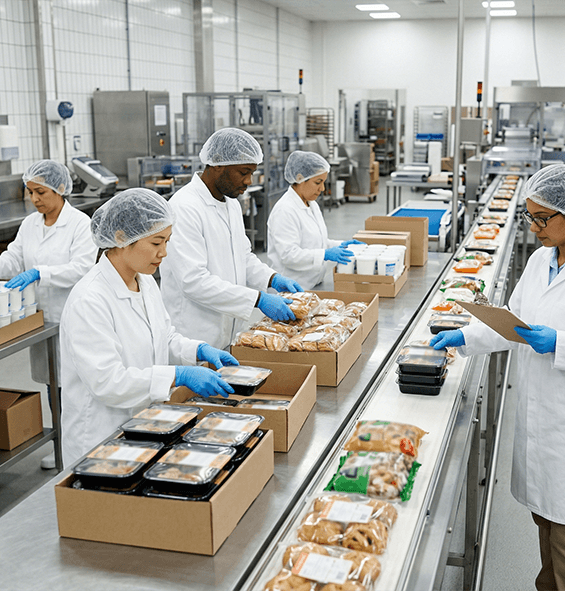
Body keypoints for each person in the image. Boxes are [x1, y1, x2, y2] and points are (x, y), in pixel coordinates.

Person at [431, 164, 565, 591]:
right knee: (546, 528)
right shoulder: (540, 260)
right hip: (543, 422)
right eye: (530, 217)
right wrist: (466, 336)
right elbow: (514, 324)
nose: (534, 227)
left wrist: (561, 344)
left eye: (543, 218)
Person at [58, 188, 237, 467]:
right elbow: (107, 382)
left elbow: (163, 336)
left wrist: (197, 350)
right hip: (100, 437)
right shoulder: (89, 300)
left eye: (167, 241)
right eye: (156, 243)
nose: (164, 252)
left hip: (143, 426)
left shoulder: (145, 281)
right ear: (121, 238)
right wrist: (177, 375)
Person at [0, 159, 97, 469]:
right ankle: (61, 445)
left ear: (60, 190)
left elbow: (82, 268)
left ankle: (84, 443)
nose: (35, 199)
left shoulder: (80, 224)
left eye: (41, 192)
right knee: (53, 381)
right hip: (41, 317)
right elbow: (15, 255)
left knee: (78, 383)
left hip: (72, 314)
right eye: (30, 192)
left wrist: (40, 272)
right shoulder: (30, 224)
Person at [160, 128, 303, 349]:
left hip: (231, 330)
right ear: (217, 164)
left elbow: (243, 256)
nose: (248, 181)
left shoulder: (231, 204)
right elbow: (193, 281)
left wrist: (272, 278)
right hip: (195, 336)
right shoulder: (185, 207)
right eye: (243, 172)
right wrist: (257, 299)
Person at [267, 151, 365, 290]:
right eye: (318, 182)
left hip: (313, 285)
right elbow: (289, 255)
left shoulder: (311, 203)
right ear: (300, 178)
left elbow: (316, 242)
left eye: (323, 182)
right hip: (292, 290)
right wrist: (325, 254)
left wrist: (340, 245)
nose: (322, 188)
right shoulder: (285, 210)